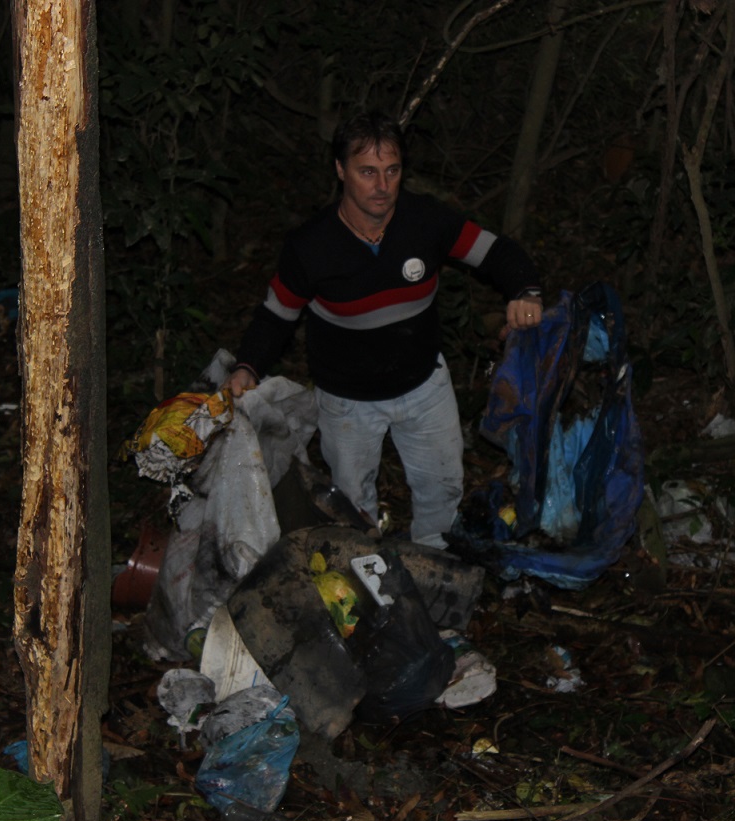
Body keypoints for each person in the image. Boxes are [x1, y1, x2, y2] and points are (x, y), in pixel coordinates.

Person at [225, 111, 542, 548]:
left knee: (444, 491)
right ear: (340, 171)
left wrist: (526, 291)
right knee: (354, 510)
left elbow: (496, 252)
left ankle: (437, 570)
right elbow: (275, 316)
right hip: (347, 402)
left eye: (392, 171)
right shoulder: (311, 246)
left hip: (424, 385)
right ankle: (370, 588)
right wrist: (247, 367)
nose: (382, 186)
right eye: (367, 172)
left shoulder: (425, 221)